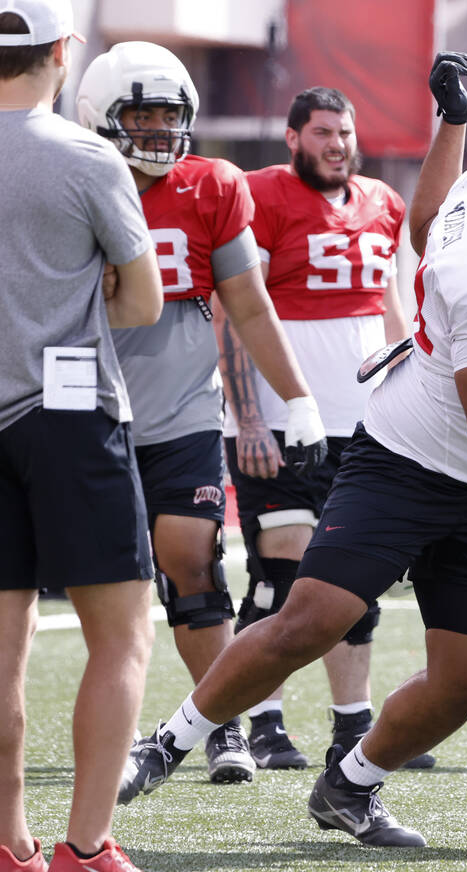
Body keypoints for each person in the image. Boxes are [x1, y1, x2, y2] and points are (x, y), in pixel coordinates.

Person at [117, 57, 467, 849]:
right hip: (408, 465)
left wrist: (450, 124)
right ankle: (170, 741)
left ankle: (350, 785)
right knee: (308, 620)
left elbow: (426, 230)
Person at [75, 41, 327, 788]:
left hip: (183, 409)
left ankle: (219, 726)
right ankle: (115, 718)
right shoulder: (71, 179)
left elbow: (248, 303)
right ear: (100, 117)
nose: (159, 130)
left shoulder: (210, 184)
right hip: (90, 409)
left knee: (192, 562)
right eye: (142, 115)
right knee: (105, 581)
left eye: (170, 115)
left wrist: (298, 397)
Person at [0, 2, 166, 872]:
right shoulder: (88, 157)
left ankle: (10, 847)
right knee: (122, 637)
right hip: (69, 418)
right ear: (63, 51)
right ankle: (86, 852)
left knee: (2, 650)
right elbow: (142, 303)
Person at [212, 85, 424, 771]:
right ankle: (264, 721)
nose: (338, 145)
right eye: (324, 133)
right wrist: (248, 415)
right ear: (293, 138)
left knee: (354, 576)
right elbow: (236, 308)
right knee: (281, 571)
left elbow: (389, 303)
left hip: (365, 423)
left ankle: (352, 723)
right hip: (280, 418)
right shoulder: (262, 195)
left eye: (345, 132)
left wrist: (409, 393)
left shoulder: (382, 201)